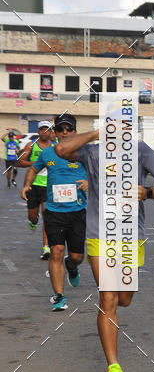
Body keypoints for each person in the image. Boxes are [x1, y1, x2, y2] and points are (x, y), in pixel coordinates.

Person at [55, 126, 154, 372]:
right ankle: (114, 367)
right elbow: (61, 149)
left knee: (124, 298)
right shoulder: (92, 151)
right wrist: (94, 133)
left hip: (132, 234)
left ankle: (114, 350)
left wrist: (149, 193)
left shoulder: (141, 150)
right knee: (107, 299)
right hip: (101, 234)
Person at [20, 114, 87, 311]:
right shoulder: (47, 153)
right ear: (55, 133)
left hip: (77, 211)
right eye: (60, 129)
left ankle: (72, 266)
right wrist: (26, 185)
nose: (64, 132)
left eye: (68, 129)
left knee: (76, 256)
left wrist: (90, 182)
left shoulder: (84, 153)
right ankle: (59, 296)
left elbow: (102, 172)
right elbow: (33, 169)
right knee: (56, 252)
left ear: (75, 132)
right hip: (53, 212)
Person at [17, 119, 54, 259]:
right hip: (33, 186)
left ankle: (46, 248)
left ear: (51, 132)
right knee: (33, 216)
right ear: (38, 131)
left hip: (48, 186)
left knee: (48, 217)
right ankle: (33, 221)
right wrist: (36, 163)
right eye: (42, 129)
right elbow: (20, 162)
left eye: (47, 129)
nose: (44, 132)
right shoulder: (31, 146)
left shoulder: (55, 147)